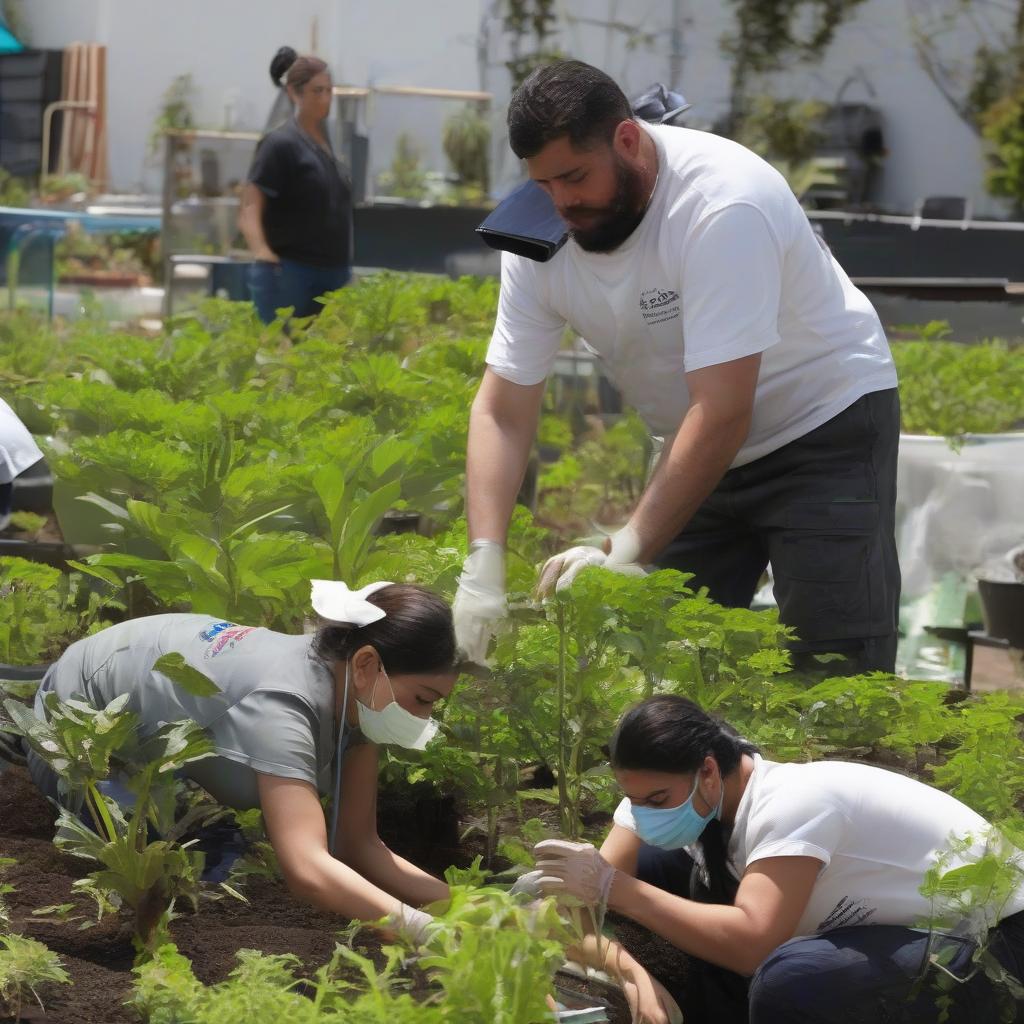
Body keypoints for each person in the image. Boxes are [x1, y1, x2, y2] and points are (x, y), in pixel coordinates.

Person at [452, 60, 901, 675]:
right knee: (656, 668)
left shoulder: (720, 204)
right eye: (544, 183)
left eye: (576, 177)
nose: (561, 202)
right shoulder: (537, 239)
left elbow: (723, 408)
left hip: (821, 424)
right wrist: (484, 560)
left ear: (628, 139)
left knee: (831, 673)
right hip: (697, 443)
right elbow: (503, 409)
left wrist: (625, 549)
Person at [525, 695, 1024, 1023]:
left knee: (793, 979)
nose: (642, 813)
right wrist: (634, 972)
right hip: (889, 929)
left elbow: (750, 945)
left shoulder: (793, 803)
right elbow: (569, 916)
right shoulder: (663, 792)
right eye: (633, 799)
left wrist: (616, 887)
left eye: (656, 800)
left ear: (709, 771)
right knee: (658, 868)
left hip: (993, 945)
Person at [22, 580, 458, 940]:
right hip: (75, 727)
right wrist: (425, 933)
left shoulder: (356, 695)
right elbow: (307, 867)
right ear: (367, 663)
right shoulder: (283, 704)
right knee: (185, 865)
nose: (424, 718)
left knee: (216, 853)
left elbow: (357, 844)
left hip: (144, 711)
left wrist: (473, 908)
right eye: (422, 699)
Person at [239, 47, 353, 324]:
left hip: (331, 272)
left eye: (328, 91)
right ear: (293, 93)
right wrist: (262, 251)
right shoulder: (281, 144)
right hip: (292, 272)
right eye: (317, 91)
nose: (325, 98)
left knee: (324, 359)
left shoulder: (327, 146)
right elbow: (251, 203)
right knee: (282, 358)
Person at [0, 395, 44, 532]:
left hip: (7, 441)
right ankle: (3, 516)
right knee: (4, 477)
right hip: (9, 441)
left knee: (4, 478)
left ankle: (3, 517)